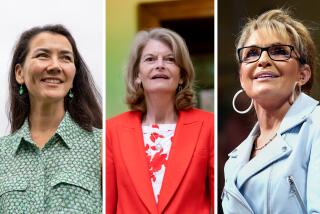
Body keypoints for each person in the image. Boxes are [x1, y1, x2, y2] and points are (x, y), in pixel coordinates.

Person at [222, 9, 320, 213]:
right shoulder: (234, 160)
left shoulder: (316, 126)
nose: (263, 60)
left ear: (303, 74)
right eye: (251, 53)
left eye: (279, 51)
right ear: (242, 77)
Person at [106, 28, 214, 213]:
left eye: (170, 59)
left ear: (181, 75)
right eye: (150, 59)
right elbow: (108, 205)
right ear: (138, 75)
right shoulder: (112, 130)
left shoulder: (209, 125)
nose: (160, 65)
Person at [0, 25, 102, 213]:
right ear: (19, 73)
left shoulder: (102, 145)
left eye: (65, 58)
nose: (55, 66)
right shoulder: (2, 154)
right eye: (43, 55)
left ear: (74, 75)